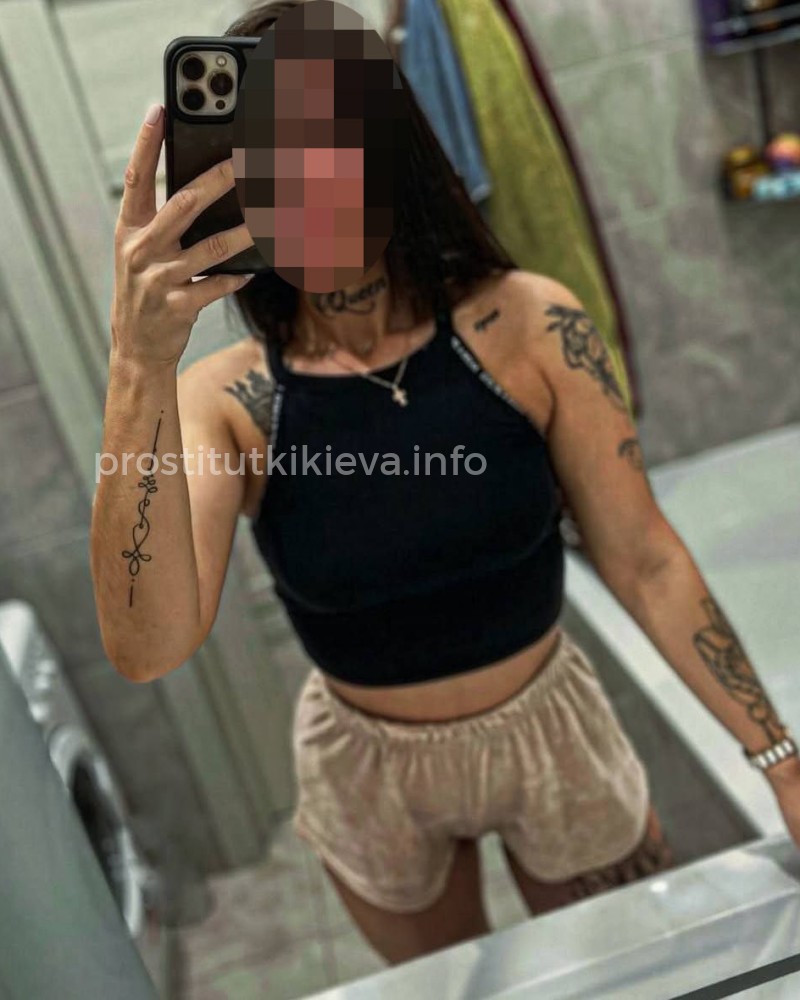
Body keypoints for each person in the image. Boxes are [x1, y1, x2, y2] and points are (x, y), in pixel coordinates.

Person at [90, 0, 800, 968]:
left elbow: (646, 560)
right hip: (368, 766)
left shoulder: (529, 327)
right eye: (271, 163)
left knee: (632, 978)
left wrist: (780, 758)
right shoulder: (227, 403)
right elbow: (149, 646)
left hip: (551, 727)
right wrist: (137, 365)